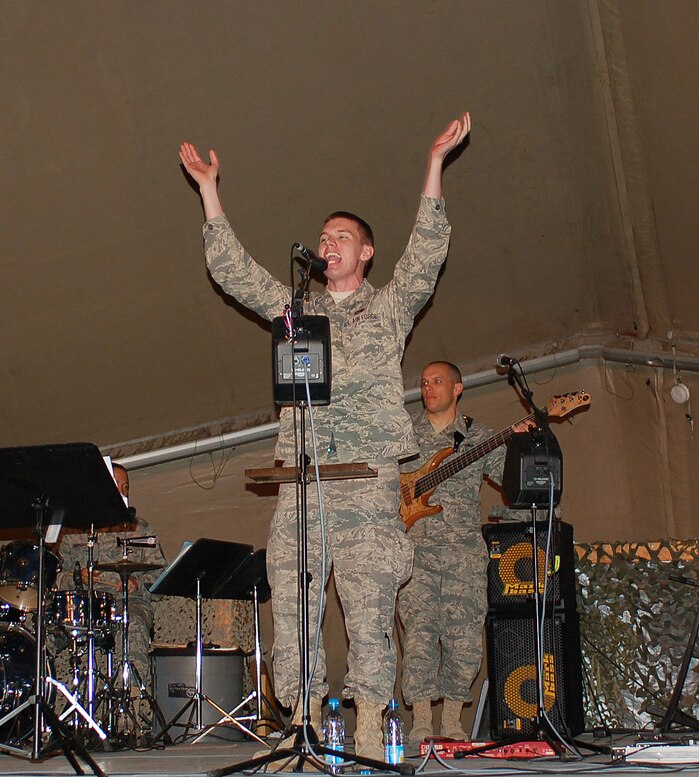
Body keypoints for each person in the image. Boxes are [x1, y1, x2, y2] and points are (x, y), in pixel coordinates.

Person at [178, 113, 471, 757]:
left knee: (369, 618)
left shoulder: (389, 308)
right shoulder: (296, 312)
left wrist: (434, 166)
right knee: (295, 615)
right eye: (323, 236)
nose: (328, 242)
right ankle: (305, 731)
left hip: (367, 487)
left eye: (342, 236)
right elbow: (235, 272)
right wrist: (209, 191)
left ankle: (367, 736)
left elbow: (427, 254)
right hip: (302, 485)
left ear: (366, 252)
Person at [398, 361, 526, 745]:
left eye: (437, 381)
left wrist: (519, 445)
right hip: (415, 552)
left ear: (457, 388)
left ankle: (452, 720)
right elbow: (381, 484)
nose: (428, 388)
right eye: (423, 383)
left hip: (463, 554)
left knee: (464, 637)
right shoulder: (403, 435)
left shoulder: (480, 435)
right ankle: (421, 720)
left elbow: (511, 483)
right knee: (418, 636)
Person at [54, 461, 164, 730]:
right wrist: (76, 578)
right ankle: (34, 710)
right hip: (83, 604)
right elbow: (56, 578)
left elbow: (161, 579)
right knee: (42, 630)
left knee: (132, 625)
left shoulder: (141, 529)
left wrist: (138, 583)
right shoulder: (74, 531)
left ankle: (133, 713)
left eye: (126, 487)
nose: (122, 492)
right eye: (117, 486)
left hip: (129, 602)